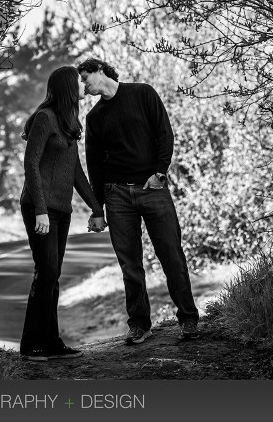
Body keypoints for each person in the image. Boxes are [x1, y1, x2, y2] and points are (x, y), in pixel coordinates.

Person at [77, 58, 200, 345]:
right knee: (129, 264)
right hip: (116, 194)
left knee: (171, 254)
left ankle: (189, 318)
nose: (84, 85)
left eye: (85, 78)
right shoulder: (94, 118)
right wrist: (98, 209)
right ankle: (139, 324)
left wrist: (160, 172)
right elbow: (94, 165)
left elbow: (164, 133)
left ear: (99, 71)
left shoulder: (143, 93)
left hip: (152, 188)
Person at [19, 65, 105, 362]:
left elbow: (76, 172)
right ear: (68, 87)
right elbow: (31, 165)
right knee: (47, 273)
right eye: (78, 82)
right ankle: (31, 345)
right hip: (39, 208)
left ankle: (52, 342)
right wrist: (40, 211)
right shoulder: (44, 119)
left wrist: (96, 207)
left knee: (52, 276)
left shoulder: (69, 122)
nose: (83, 85)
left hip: (61, 209)